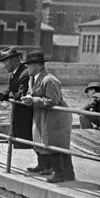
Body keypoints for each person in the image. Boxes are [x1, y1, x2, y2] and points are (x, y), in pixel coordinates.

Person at [21, 51, 75, 183]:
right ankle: (64, 173)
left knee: (56, 144)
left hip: (56, 117)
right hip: (44, 115)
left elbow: (53, 100)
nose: (27, 68)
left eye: (28, 66)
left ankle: (62, 174)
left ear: (35, 66)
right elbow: (34, 94)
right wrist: (29, 99)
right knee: (49, 143)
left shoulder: (49, 79)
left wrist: (33, 100)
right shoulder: (33, 79)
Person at [0, 46, 34, 150]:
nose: (4, 66)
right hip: (18, 112)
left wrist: (8, 95)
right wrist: (2, 94)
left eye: (5, 62)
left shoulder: (24, 73)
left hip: (26, 113)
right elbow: (11, 88)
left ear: (13, 61)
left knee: (25, 141)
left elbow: (20, 95)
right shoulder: (16, 72)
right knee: (18, 139)